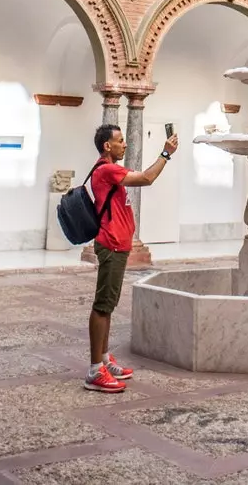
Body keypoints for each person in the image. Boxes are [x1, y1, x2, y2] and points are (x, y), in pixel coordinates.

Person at [85, 121, 178, 393]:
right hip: (111, 243)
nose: (125, 144)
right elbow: (147, 179)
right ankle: (94, 371)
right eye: (120, 140)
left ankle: (103, 360)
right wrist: (165, 153)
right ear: (107, 146)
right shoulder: (107, 170)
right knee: (102, 305)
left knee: (109, 304)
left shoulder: (109, 169)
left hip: (119, 244)